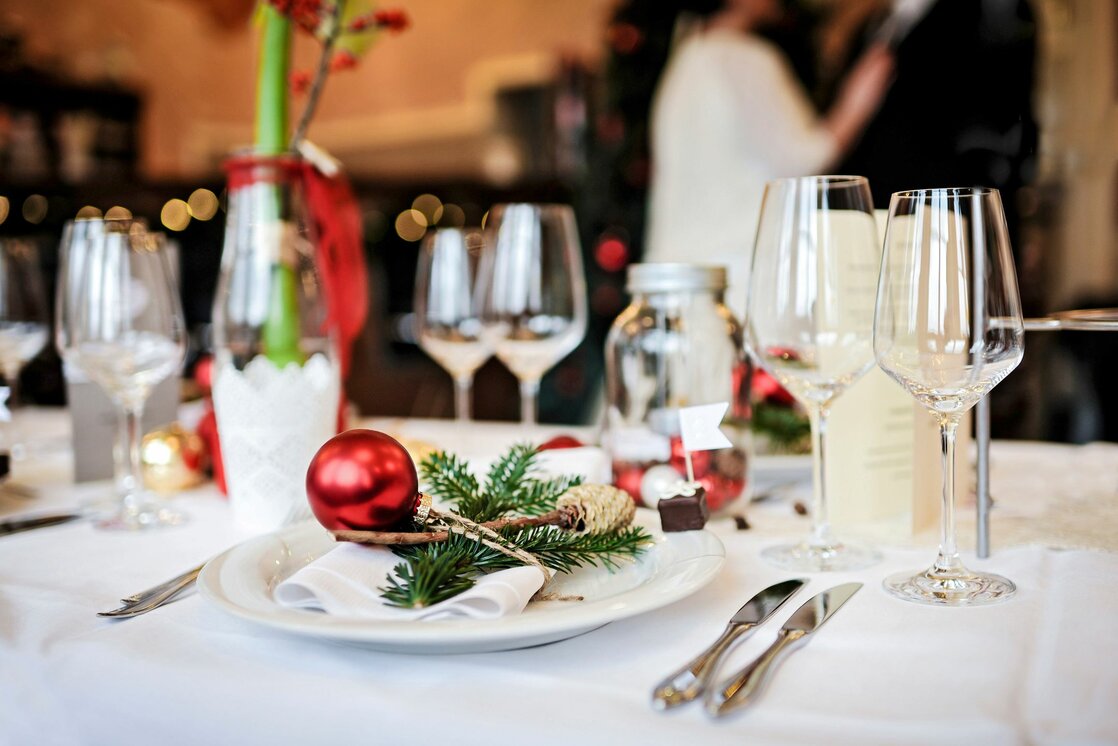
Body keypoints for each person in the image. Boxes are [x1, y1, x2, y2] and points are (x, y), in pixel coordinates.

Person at [643, 0, 893, 314]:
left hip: (676, 282)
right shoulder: (741, 57)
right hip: (739, 285)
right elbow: (804, 158)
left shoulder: (686, 57)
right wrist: (856, 102)